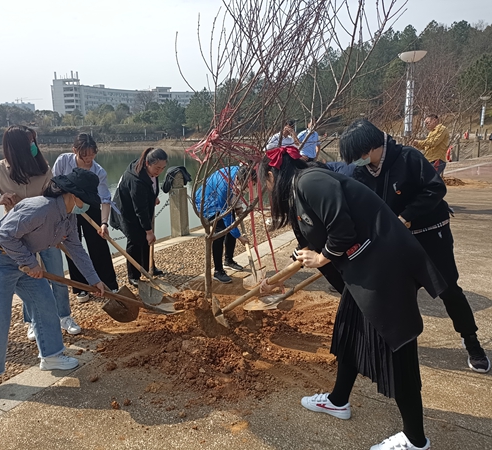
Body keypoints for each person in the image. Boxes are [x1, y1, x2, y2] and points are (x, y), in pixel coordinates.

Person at [260, 146, 446, 450]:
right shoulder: (300, 194)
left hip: (384, 271)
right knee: (349, 333)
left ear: (272, 175)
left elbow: (341, 233)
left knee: (397, 352)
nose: (265, 191)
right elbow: (310, 244)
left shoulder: (310, 182)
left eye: (263, 184)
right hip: (364, 272)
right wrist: (279, 281)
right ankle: (338, 400)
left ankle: (415, 440)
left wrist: (321, 258)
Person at [339, 119, 490, 373]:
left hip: (430, 235)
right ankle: (391, 346)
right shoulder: (361, 172)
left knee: (449, 289)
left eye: (359, 156)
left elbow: (435, 189)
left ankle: (472, 342)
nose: (357, 162)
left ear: (373, 148)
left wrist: (406, 216)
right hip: (394, 242)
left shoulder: (408, 158)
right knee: (392, 293)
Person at [0, 168, 105, 402]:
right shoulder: (39, 208)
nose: (87, 206)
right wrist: (29, 263)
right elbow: (4, 236)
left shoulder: (68, 217)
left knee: (45, 305)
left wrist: (94, 280)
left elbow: (76, 249)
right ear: (73, 195)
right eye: (87, 200)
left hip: (26, 261)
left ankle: (51, 356)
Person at [0, 126, 80, 340]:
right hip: (18, 236)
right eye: (29, 142)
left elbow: (54, 195)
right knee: (28, 278)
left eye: (34, 141)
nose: (34, 146)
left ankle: (64, 316)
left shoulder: (43, 168)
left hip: (47, 232)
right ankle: (31, 321)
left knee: (57, 275)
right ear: (16, 148)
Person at [53, 133, 119, 302]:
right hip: (68, 209)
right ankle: (81, 287)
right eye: (85, 155)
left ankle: (108, 284)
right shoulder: (63, 161)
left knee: (99, 245)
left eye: (92, 154)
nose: (89, 158)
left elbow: (105, 199)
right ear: (75, 150)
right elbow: (54, 185)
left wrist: (104, 223)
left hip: (91, 208)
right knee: (73, 246)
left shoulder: (99, 171)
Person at [110, 147, 168, 286]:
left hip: (139, 206)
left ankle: (148, 267)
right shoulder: (136, 179)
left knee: (146, 240)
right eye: (157, 168)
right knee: (135, 240)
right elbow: (139, 208)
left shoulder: (151, 170)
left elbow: (151, 187)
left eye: (162, 168)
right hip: (126, 211)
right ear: (147, 163)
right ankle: (134, 275)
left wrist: (153, 197)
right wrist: (149, 232)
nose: (159, 171)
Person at [195, 165, 252, 284]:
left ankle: (228, 260)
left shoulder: (242, 172)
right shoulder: (224, 186)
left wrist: (238, 206)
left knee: (232, 225)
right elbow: (224, 213)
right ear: (239, 180)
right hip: (208, 202)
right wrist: (239, 237)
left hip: (223, 200)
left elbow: (237, 192)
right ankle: (218, 271)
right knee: (220, 232)